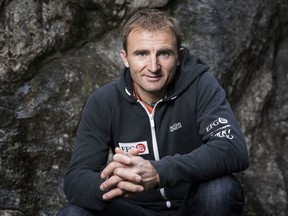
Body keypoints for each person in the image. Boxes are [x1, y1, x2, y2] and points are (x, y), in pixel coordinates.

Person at [58, 8, 249, 216]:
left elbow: (231, 148)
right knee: (73, 213)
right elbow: (76, 179)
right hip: (134, 211)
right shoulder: (104, 102)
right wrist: (117, 180)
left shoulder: (200, 85)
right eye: (141, 53)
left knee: (220, 189)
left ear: (179, 56)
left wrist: (160, 171)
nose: (153, 66)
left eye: (164, 53)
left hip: (192, 207)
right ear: (125, 58)